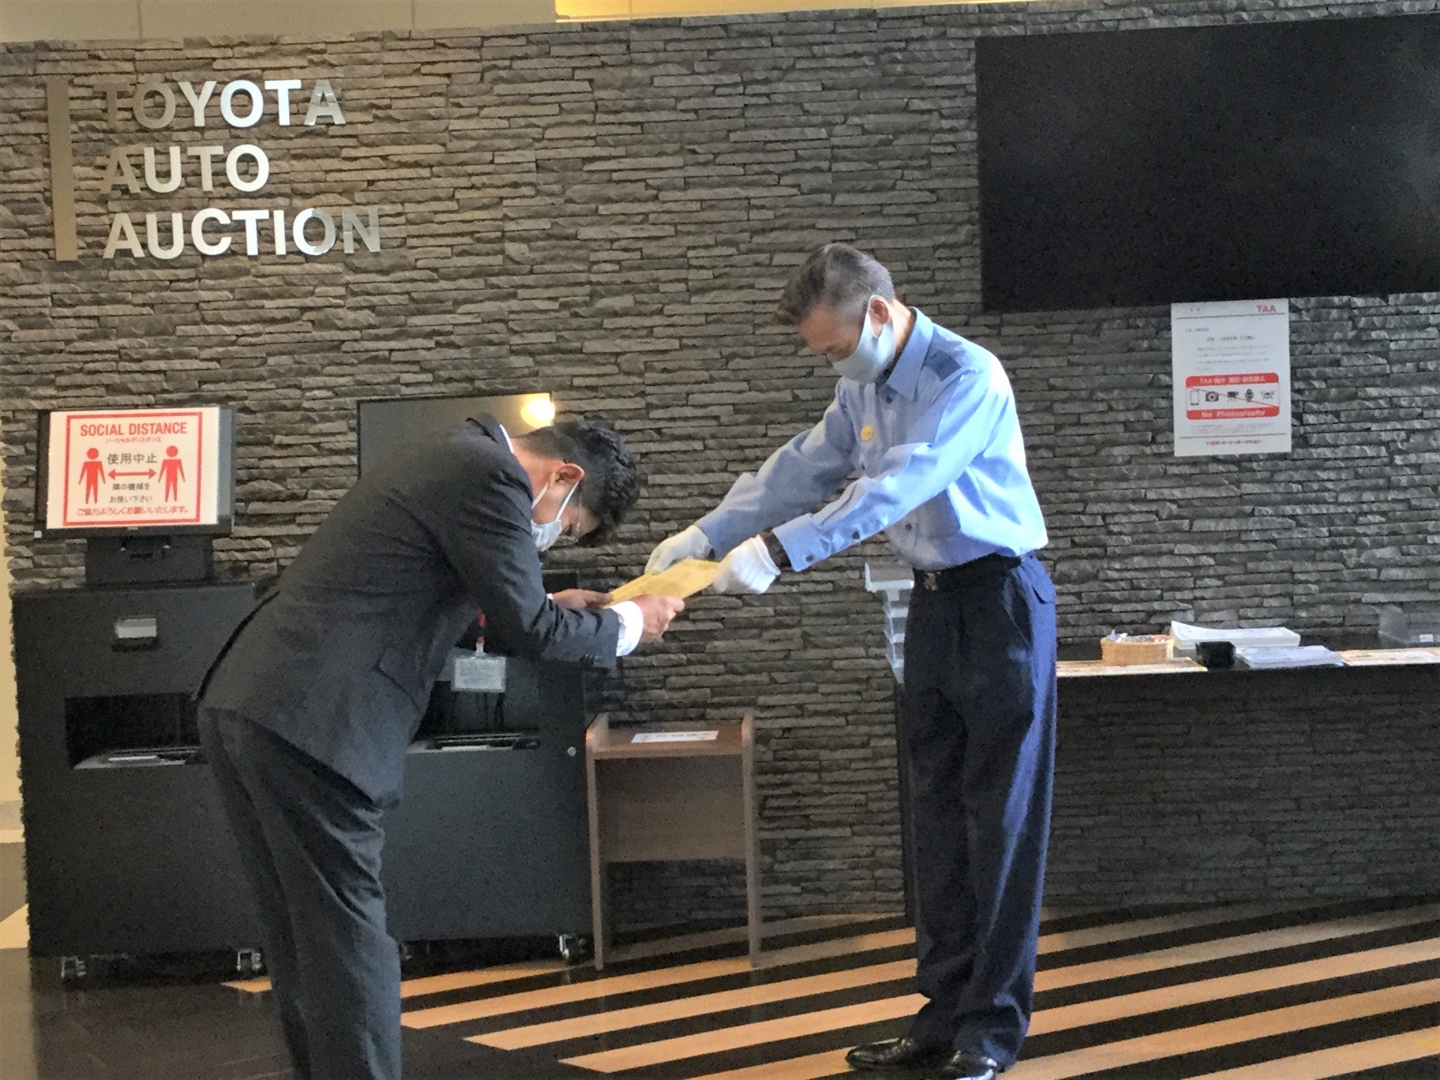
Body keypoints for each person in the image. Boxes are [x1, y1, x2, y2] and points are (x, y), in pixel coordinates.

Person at [647, 244, 1056, 1080]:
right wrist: (707, 533)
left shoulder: (967, 375)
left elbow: (897, 486)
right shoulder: (860, 388)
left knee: (1001, 821)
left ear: (877, 312)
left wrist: (780, 552)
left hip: (1001, 602)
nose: (833, 363)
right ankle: (940, 1018)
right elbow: (799, 470)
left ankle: (990, 1034)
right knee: (934, 817)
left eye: (836, 346)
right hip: (934, 603)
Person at [197, 414, 684, 1080]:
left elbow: (436, 595)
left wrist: (549, 601)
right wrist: (629, 622)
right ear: (563, 477)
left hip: (253, 701)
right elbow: (536, 632)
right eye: (568, 525)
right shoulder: (493, 475)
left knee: (302, 936)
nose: (552, 536)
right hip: (316, 718)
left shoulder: (450, 451)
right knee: (347, 942)